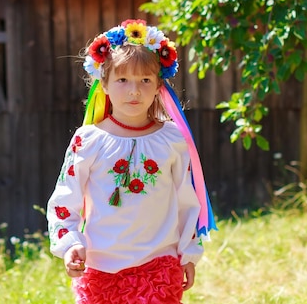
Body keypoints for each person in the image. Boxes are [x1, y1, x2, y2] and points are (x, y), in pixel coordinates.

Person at [46, 19, 217, 304]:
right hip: (101, 270)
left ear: (158, 85)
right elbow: (66, 197)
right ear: (104, 84)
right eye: (123, 80)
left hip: (160, 266)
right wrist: (71, 243)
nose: (134, 91)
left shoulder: (172, 139)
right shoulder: (88, 140)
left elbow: (187, 200)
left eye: (144, 81)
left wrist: (189, 252)